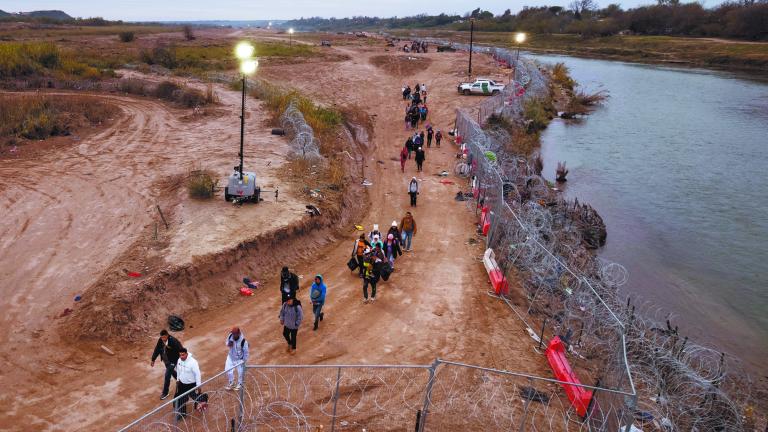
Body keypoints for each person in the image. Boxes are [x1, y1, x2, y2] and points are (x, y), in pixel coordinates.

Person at [151, 329, 183, 400]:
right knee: (171, 372)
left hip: (173, 360)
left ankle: (165, 392)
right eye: (162, 337)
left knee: (167, 375)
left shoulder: (173, 341)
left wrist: (182, 360)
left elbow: (181, 348)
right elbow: (157, 349)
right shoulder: (160, 340)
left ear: (167, 335)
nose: (163, 339)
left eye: (164, 337)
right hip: (166, 360)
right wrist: (153, 359)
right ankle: (182, 382)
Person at [174, 347, 201, 420]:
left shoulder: (193, 362)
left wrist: (198, 385)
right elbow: (178, 370)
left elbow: (197, 374)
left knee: (196, 397)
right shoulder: (179, 360)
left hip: (191, 384)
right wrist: (177, 379)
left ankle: (202, 401)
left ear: (186, 354)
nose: (181, 357)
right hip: (182, 383)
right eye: (180, 355)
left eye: (183, 355)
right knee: (180, 398)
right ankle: (182, 414)